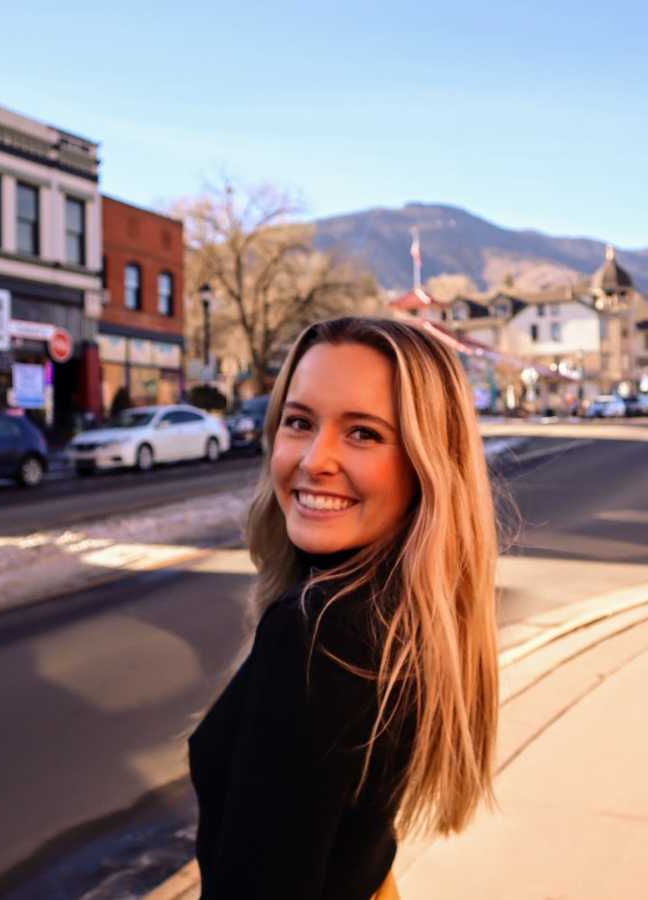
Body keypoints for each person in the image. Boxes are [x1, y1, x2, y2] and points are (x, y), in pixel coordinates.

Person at [188, 316, 500, 899]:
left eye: (363, 433)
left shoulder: (319, 633)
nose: (314, 460)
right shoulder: (401, 614)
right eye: (299, 422)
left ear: (427, 464)